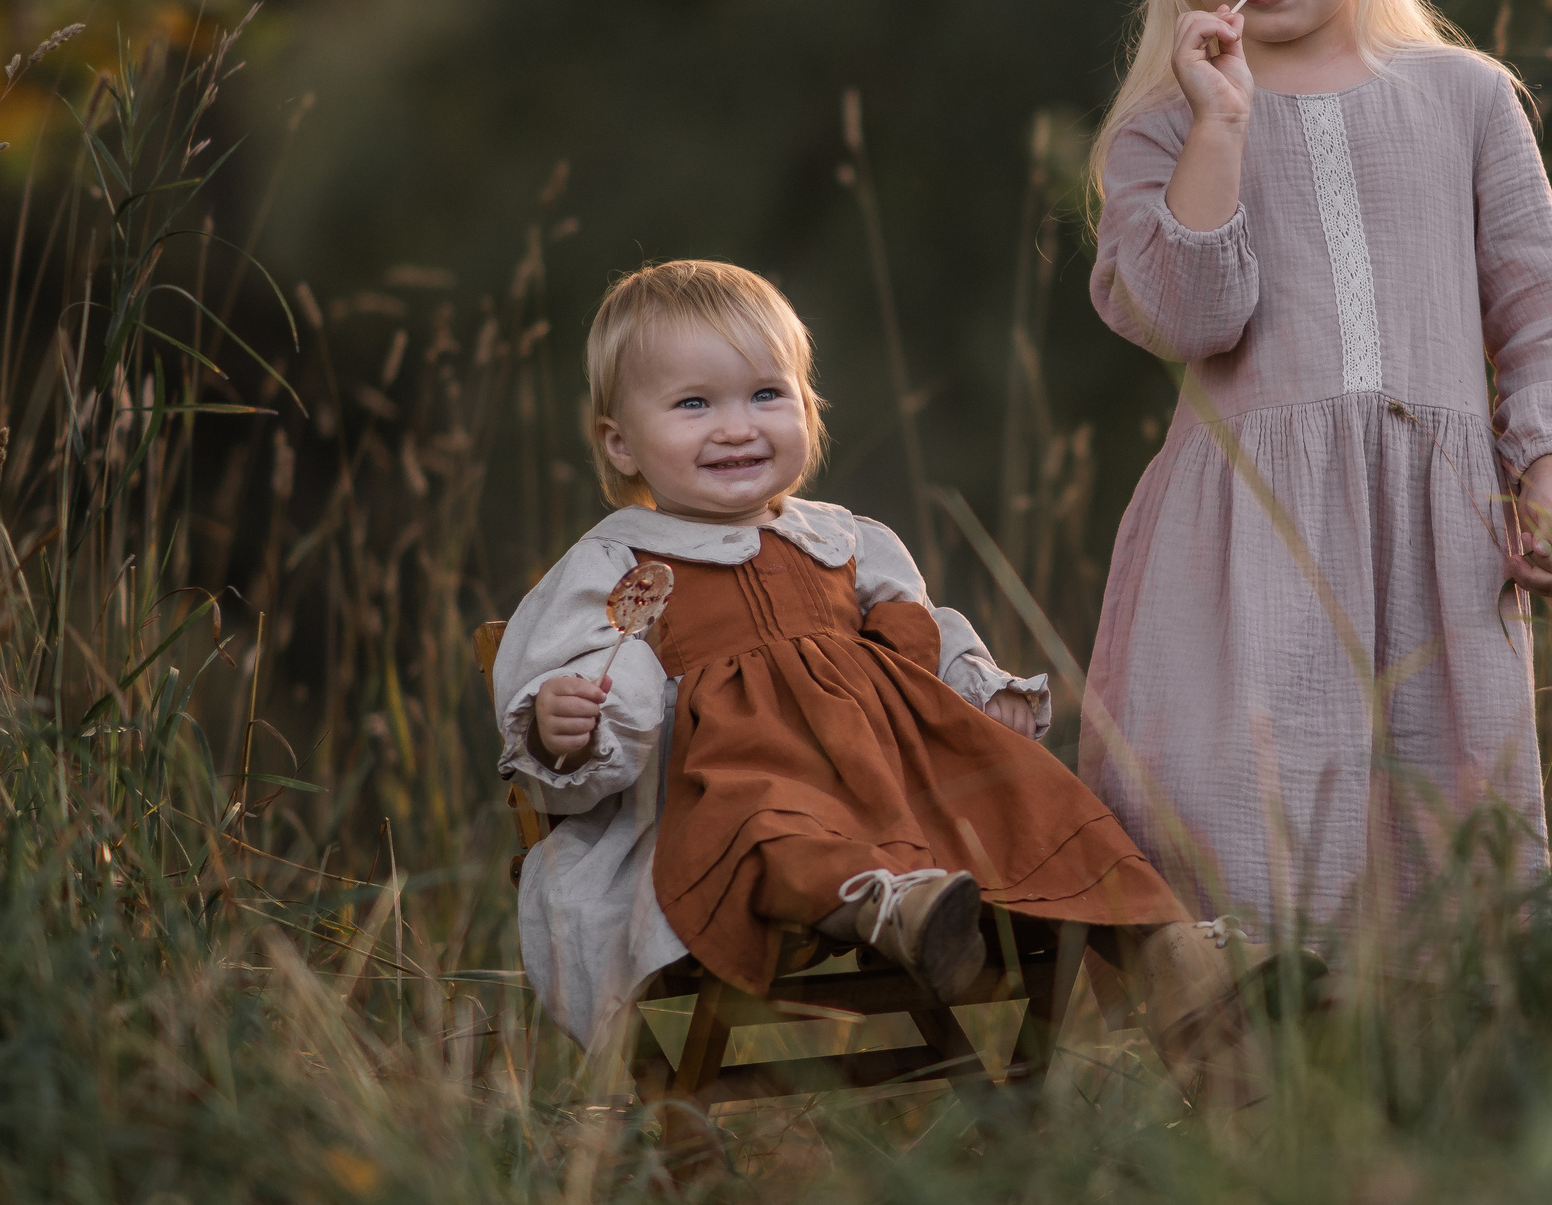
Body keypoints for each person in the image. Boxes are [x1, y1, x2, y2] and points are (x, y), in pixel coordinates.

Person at [1082, 0, 1552, 945]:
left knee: (1440, 841)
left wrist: (1548, 468)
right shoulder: (1166, 126)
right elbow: (1185, 316)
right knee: (1254, 838)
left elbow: (1546, 321)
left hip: (1437, 541)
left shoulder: (1465, 99)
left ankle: (1433, 1105)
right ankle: (1249, 1096)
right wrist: (1219, 127)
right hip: (1247, 548)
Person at [493, 260, 1245, 1098]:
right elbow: (584, 671)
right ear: (620, 441)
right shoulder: (616, 564)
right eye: (693, 403)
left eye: (766, 394)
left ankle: (1183, 969)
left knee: (1039, 794)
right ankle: (889, 903)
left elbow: (921, 633)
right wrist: (566, 718)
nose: (736, 426)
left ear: (808, 410)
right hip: (737, 781)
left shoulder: (847, 541)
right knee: (768, 816)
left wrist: (973, 682)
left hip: (901, 772)